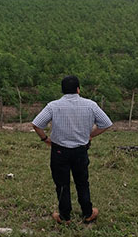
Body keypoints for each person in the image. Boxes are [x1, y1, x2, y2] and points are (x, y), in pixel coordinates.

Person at [32, 75, 112, 224]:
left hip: (59, 151)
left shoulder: (53, 106)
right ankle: (88, 213)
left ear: (62, 90)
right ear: (78, 89)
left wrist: (45, 139)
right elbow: (106, 123)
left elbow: (37, 124)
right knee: (82, 182)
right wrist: (89, 135)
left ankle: (64, 217)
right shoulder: (91, 105)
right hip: (81, 151)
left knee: (62, 184)